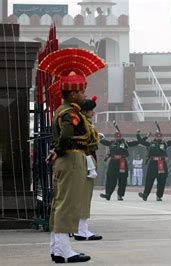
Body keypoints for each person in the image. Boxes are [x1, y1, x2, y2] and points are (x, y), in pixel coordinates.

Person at [40, 48, 105, 263]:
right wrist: (58, 150)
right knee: (68, 205)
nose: (85, 95)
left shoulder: (65, 110)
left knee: (60, 203)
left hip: (68, 158)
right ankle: (65, 250)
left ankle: (57, 248)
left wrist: (56, 150)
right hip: (71, 159)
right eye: (82, 91)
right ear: (74, 93)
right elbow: (67, 136)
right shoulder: (70, 113)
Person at [73, 96, 103, 241]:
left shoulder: (85, 122)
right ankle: (80, 230)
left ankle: (82, 228)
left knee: (86, 196)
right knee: (84, 195)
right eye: (92, 110)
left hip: (87, 159)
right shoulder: (83, 123)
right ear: (86, 111)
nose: (93, 113)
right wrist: (97, 138)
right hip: (85, 160)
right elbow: (88, 140)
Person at [137, 127, 171, 201]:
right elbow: (141, 141)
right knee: (149, 180)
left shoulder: (165, 144)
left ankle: (159, 196)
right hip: (152, 163)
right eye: (157, 136)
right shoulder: (150, 144)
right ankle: (145, 195)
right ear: (155, 136)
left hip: (162, 163)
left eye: (160, 136)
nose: (158, 137)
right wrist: (138, 134)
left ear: (162, 136)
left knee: (161, 181)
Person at [99, 130, 139, 201]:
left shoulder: (125, 143)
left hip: (122, 162)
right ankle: (108, 194)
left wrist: (138, 136)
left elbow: (135, 143)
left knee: (122, 179)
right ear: (114, 137)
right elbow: (103, 141)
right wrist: (99, 136)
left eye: (119, 136)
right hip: (113, 162)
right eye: (116, 137)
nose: (118, 138)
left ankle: (120, 195)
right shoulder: (111, 143)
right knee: (110, 178)